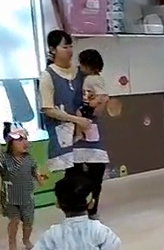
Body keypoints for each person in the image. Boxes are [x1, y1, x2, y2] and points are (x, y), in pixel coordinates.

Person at [41, 30, 110, 219]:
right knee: (75, 177)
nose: (70, 50)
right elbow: (48, 109)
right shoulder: (48, 76)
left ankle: (92, 211)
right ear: (53, 49)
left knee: (97, 172)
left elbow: (97, 96)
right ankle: (76, 214)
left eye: (71, 46)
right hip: (67, 133)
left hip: (90, 130)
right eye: (65, 47)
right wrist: (77, 120)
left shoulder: (82, 72)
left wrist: (100, 104)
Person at [0, 123, 44, 250]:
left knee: (28, 222)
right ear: (10, 143)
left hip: (27, 196)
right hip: (11, 197)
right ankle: (12, 243)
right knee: (14, 220)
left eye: (25, 139)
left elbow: (35, 172)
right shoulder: (4, 159)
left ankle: (26, 240)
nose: (24, 142)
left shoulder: (29, 159)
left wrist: (39, 178)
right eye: (19, 140)